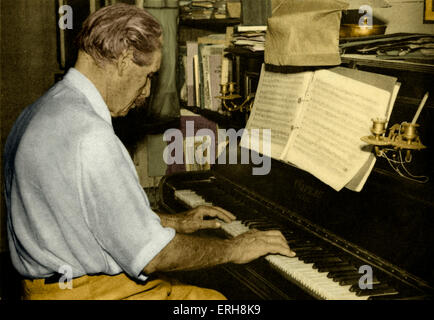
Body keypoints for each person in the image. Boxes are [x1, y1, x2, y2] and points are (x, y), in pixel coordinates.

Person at [3, 3, 295, 300]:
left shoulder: (43, 109)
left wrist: (174, 222)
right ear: (125, 60)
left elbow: (89, 215)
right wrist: (236, 248)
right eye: (149, 76)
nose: (146, 93)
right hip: (90, 293)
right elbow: (153, 256)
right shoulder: (90, 136)